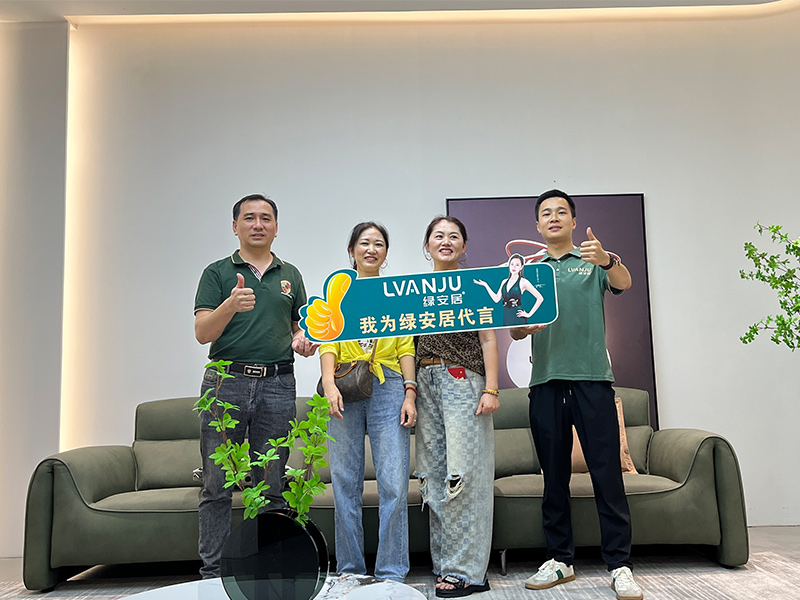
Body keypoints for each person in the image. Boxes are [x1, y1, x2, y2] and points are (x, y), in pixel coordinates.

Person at [510, 189, 643, 600]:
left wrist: (607, 260)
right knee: (554, 479)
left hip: (592, 381)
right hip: (545, 382)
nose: (554, 217)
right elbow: (514, 328)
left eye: (561, 212)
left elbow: (624, 282)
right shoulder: (528, 271)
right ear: (537, 225)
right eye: (546, 213)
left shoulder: (593, 260)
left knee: (607, 476)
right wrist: (523, 329)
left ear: (572, 220)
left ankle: (619, 565)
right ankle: (559, 560)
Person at [193, 193, 318, 579]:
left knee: (272, 483)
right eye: (249, 218)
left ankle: (267, 569)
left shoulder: (290, 274)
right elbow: (202, 333)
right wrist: (230, 305)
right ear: (235, 227)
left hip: (278, 383)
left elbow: (299, 328)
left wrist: (303, 341)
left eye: (266, 218)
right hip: (225, 383)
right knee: (217, 483)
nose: (258, 224)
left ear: (276, 227)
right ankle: (213, 573)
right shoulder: (217, 272)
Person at [318, 222, 418, 582]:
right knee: (345, 482)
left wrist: (410, 392)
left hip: (389, 386)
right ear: (352, 251)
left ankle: (391, 572)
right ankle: (350, 570)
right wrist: (329, 384)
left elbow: (406, 347)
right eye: (364, 243)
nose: (371, 249)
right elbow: (327, 341)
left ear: (386, 253)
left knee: (393, 482)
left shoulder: (396, 294)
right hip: (344, 385)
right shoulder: (337, 291)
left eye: (378, 244)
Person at [414, 216, 500, 599]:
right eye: (438, 236)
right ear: (427, 245)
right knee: (432, 476)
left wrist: (492, 388)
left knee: (464, 475)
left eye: (453, 236)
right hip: (425, 381)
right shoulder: (413, 291)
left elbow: (488, 339)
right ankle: (445, 563)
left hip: (463, 380)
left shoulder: (474, 285)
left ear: (464, 246)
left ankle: (469, 572)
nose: (445, 241)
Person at [473, 253, 544, 325]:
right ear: (509, 265)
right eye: (512, 264)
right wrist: (486, 285)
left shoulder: (523, 282)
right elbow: (496, 299)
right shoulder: (504, 281)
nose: (514, 267)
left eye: (517, 265)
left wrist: (529, 314)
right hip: (507, 315)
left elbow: (540, 298)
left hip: (518, 315)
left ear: (521, 267)